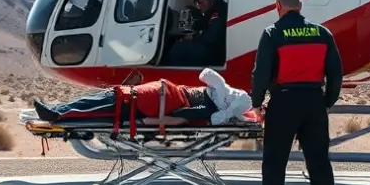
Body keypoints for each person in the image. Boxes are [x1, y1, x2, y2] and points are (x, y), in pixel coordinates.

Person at [246, 0, 342, 185]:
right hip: (314, 102)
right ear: (300, 6)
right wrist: (327, 102)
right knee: (319, 161)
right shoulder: (322, 33)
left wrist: (257, 103)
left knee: (275, 162)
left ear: (278, 6)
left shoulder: (272, 33)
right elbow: (336, 73)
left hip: (284, 102)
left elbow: (261, 73)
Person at [33, 68, 252, 126]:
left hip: (144, 105)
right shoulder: (208, 93)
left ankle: (58, 115)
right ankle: (58, 109)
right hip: (144, 95)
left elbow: (179, 117)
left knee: (100, 108)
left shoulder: (207, 108)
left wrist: (148, 122)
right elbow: (206, 74)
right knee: (99, 99)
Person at [165, 0, 228, 66]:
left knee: (178, 48)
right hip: (213, 48)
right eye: (197, 3)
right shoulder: (213, 11)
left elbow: (211, 37)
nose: (199, 6)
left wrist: (193, 37)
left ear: (211, 0)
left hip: (214, 52)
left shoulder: (217, 13)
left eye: (201, 3)